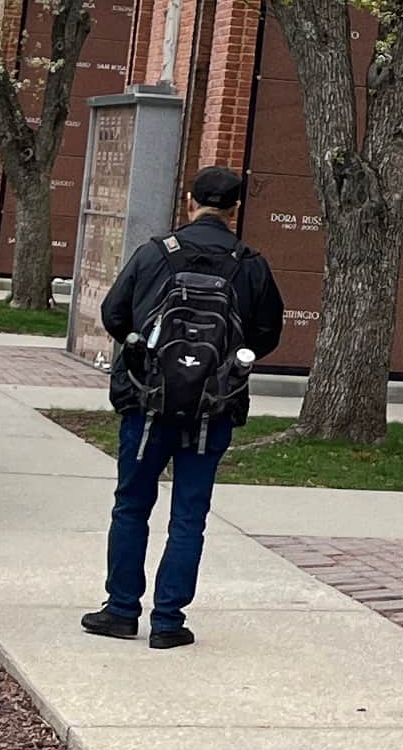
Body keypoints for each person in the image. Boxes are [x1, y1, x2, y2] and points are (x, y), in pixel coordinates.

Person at [83, 164, 286, 648]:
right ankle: (169, 621)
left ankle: (121, 610)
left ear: (189, 201)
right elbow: (267, 335)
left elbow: (114, 314)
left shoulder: (155, 253)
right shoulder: (250, 264)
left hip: (147, 403)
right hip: (212, 408)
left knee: (132, 505)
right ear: (236, 209)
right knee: (189, 515)